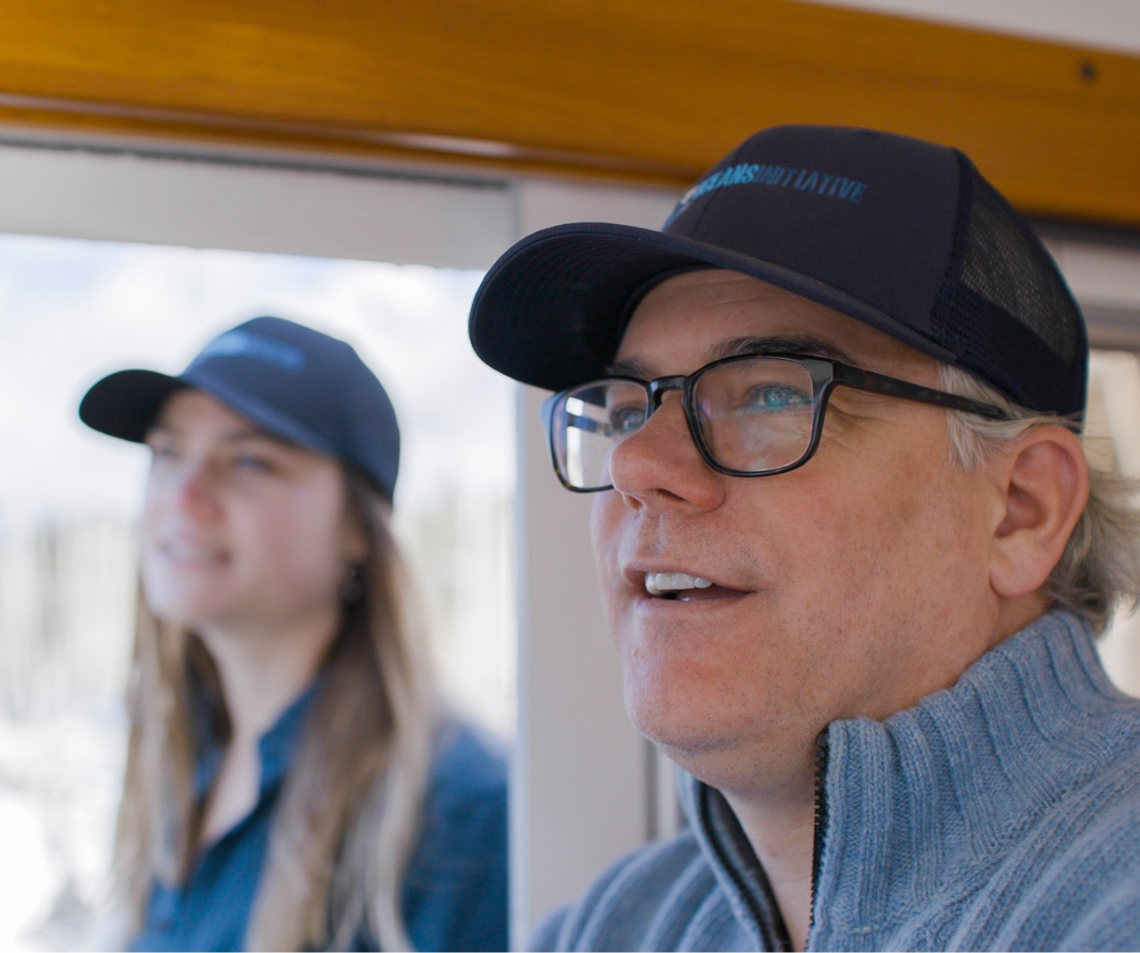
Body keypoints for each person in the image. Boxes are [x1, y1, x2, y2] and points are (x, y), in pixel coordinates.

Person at [468, 125, 1140, 951]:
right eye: (627, 410)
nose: (639, 461)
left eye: (772, 395)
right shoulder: (622, 923)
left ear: (1020, 508)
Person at [79, 316, 507, 952]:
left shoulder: (456, 815)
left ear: (357, 531)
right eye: (168, 452)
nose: (184, 494)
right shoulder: (177, 759)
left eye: (250, 460)